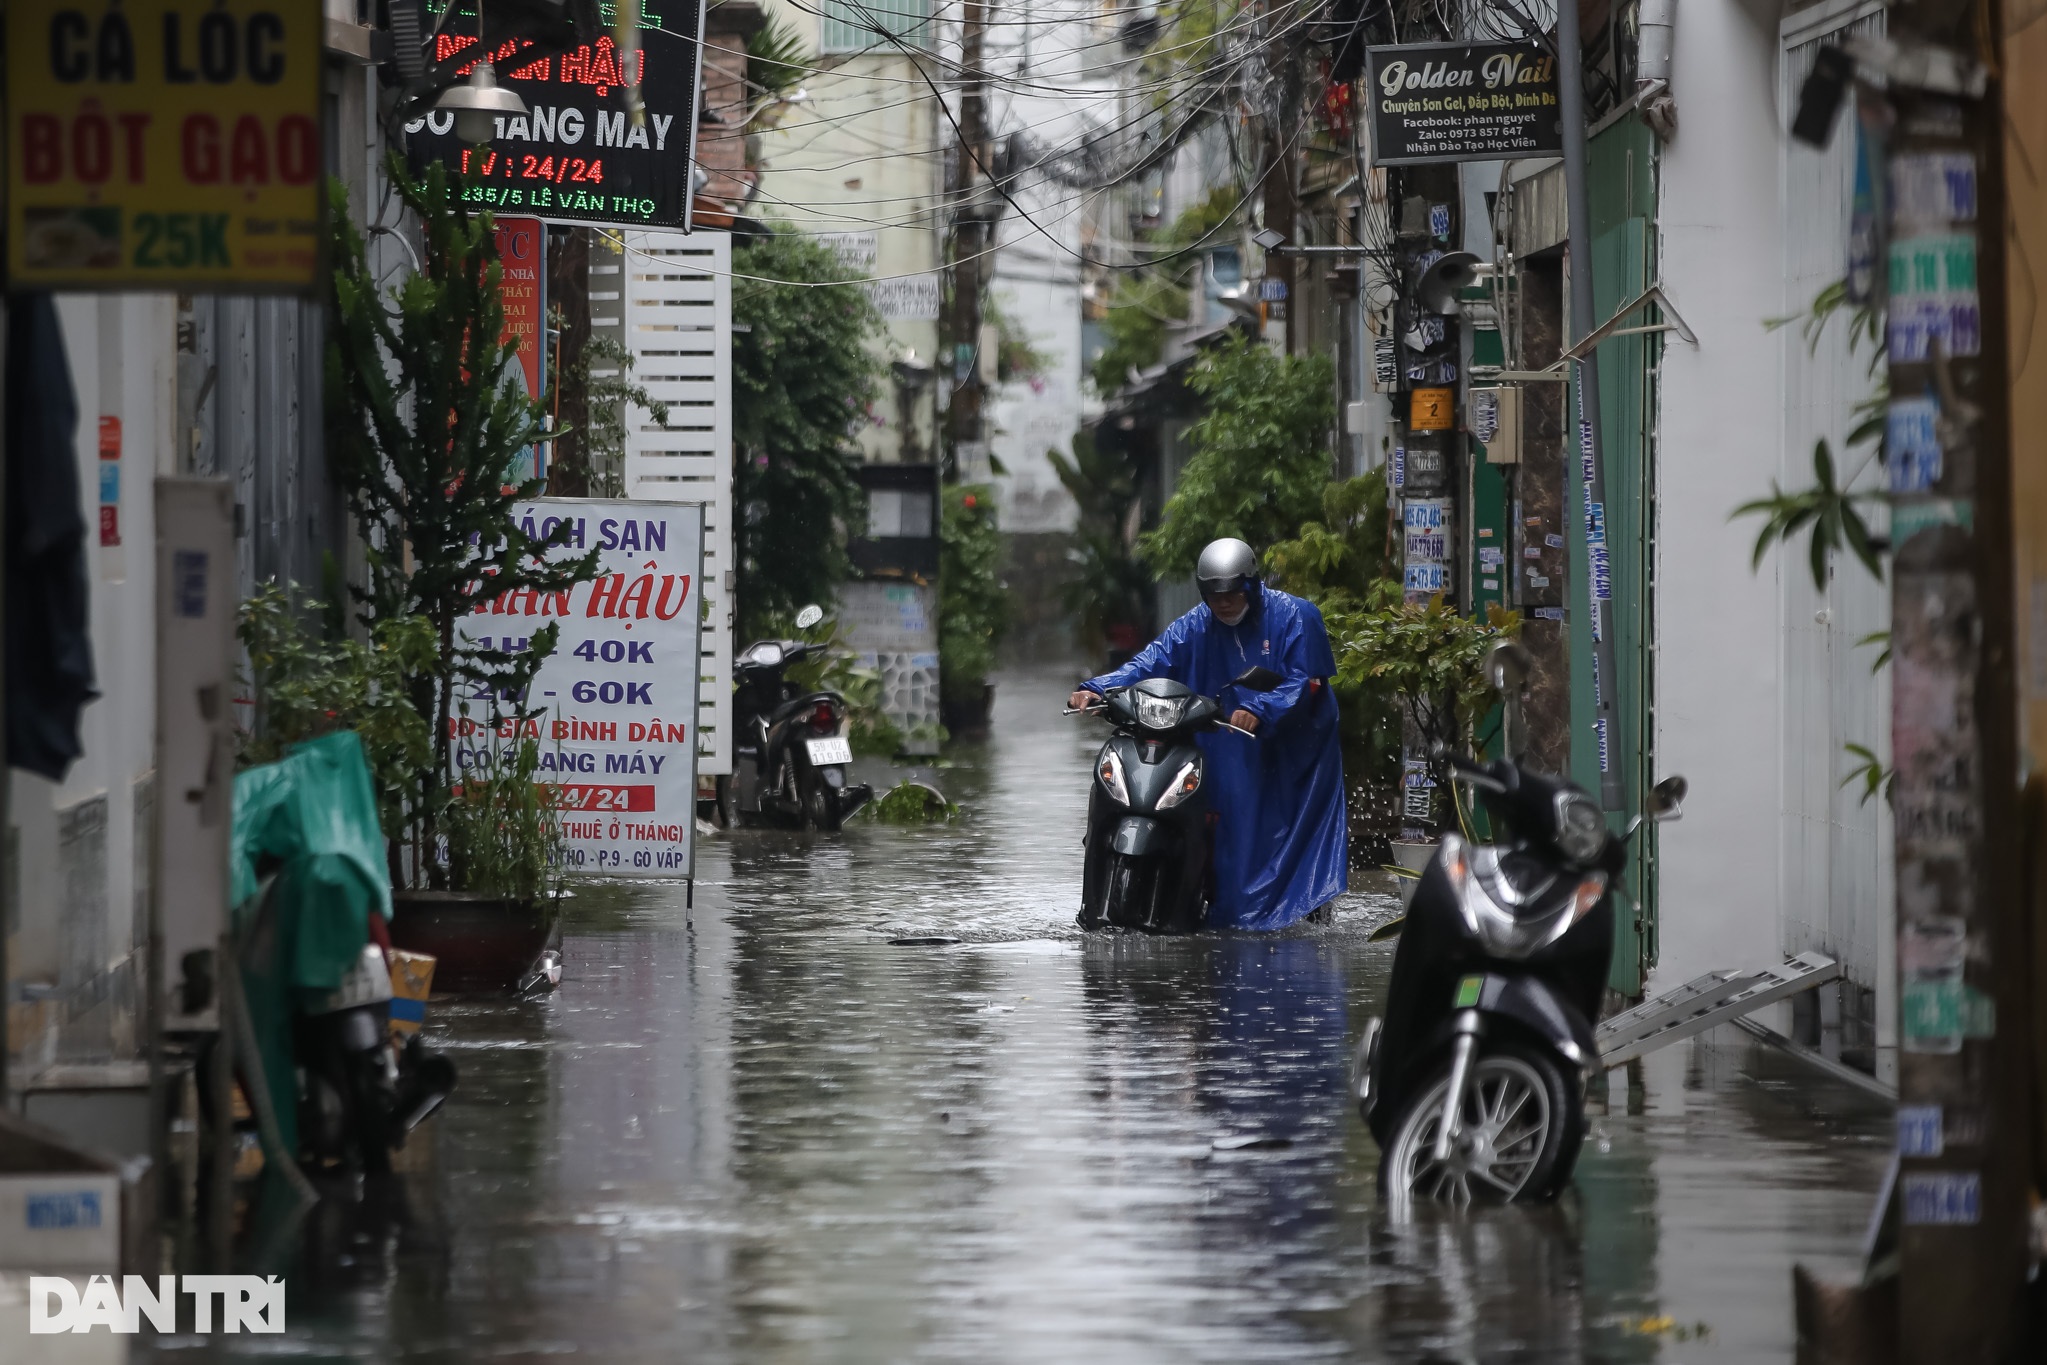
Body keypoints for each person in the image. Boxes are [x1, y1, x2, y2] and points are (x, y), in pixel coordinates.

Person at [1069, 538, 1348, 930]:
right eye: (1214, 596)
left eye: (1232, 594)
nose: (1224, 603)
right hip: (1226, 737)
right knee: (1224, 823)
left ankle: (1283, 911)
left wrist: (1260, 709)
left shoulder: (1295, 616)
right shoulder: (1197, 624)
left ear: (1251, 585)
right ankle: (1214, 905)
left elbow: (1307, 681)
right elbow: (1153, 659)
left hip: (1296, 747)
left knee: (1278, 831)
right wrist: (1098, 688)